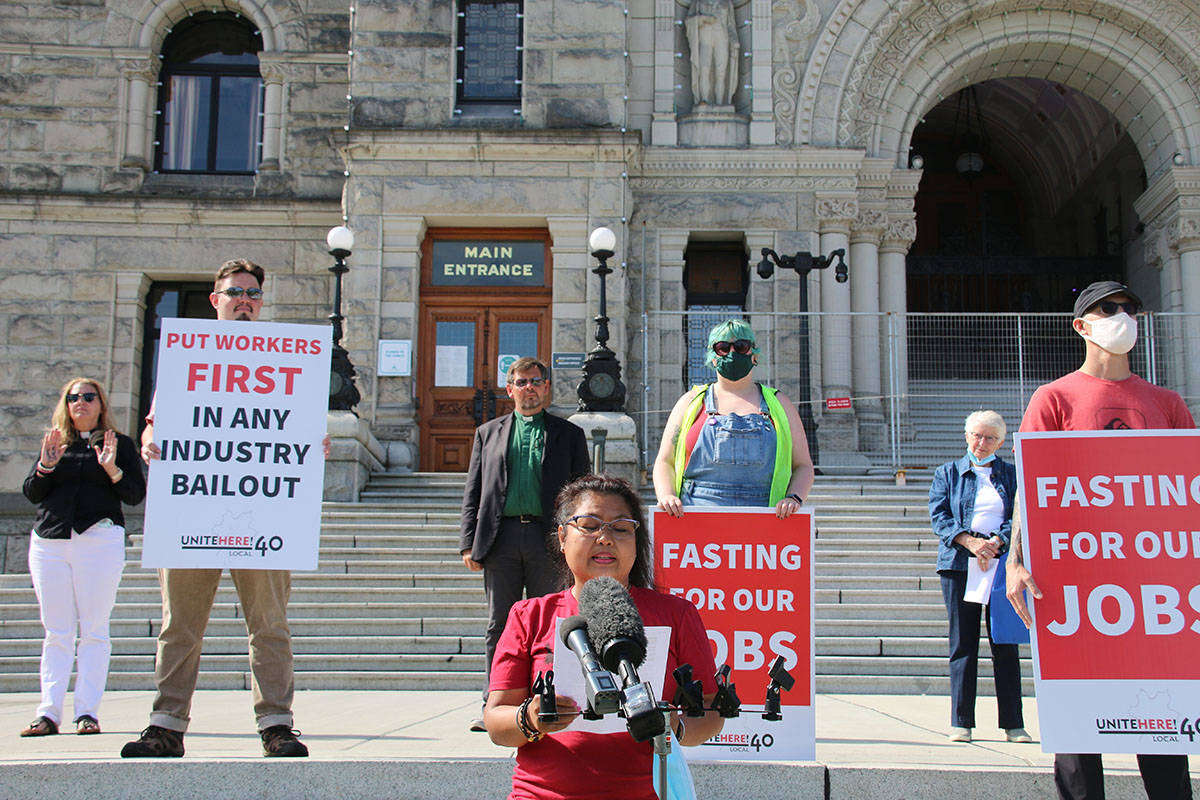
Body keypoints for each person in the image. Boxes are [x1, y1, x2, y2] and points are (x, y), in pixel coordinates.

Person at [122, 258, 327, 758]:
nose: (244, 300)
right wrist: (150, 438)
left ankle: (276, 723)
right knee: (180, 624)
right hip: (194, 507)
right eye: (235, 291)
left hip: (264, 511)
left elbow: (295, 424)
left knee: (270, 625)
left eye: (253, 294)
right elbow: (156, 422)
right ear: (215, 300)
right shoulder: (185, 355)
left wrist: (311, 444)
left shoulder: (284, 357)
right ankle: (166, 723)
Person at [1006, 280, 1194, 799]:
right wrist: (1015, 561)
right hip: (1076, 582)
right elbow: (1030, 486)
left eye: (1130, 308)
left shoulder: (1167, 403)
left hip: (1149, 590)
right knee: (1078, 744)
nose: (1123, 316)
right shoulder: (1054, 399)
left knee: (1164, 738)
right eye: (1108, 309)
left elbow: (1185, 492)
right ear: (1081, 325)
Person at [485, 474, 724, 799]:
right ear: (562, 537)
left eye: (621, 528)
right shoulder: (529, 616)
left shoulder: (675, 614)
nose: (605, 538)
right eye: (589, 525)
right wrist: (530, 717)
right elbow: (497, 723)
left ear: (636, 542)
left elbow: (710, 711)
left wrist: (672, 727)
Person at [459, 356, 590, 732]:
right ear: (509, 388)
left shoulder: (568, 435)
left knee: (551, 622)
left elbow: (582, 495)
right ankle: (495, 704)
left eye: (535, 381)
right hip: (500, 540)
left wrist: (579, 540)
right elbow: (474, 493)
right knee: (499, 623)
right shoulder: (488, 433)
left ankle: (551, 700)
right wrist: (468, 542)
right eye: (521, 381)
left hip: (549, 541)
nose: (528, 388)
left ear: (547, 388)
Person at [19, 377, 146, 737]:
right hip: (51, 542)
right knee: (57, 632)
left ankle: (86, 712)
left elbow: (135, 495)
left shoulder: (118, 444)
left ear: (101, 404)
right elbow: (32, 492)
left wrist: (111, 468)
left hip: (98, 540)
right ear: (66, 404)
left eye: (89, 397)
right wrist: (46, 465)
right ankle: (48, 713)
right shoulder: (55, 442)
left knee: (94, 630)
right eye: (74, 397)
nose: (81, 403)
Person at [928, 410, 1030, 745]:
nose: (981, 443)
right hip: (960, 564)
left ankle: (1014, 724)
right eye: (976, 435)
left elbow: (1019, 515)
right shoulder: (948, 473)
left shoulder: (1011, 475)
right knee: (963, 643)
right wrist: (971, 543)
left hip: (1001, 566)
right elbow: (939, 515)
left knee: (1005, 643)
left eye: (989, 438)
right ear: (966, 436)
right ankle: (961, 722)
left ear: (1000, 442)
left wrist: (996, 543)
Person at [653, 318, 814, 517]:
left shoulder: (779, 404)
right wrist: (666, 495)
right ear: (713, 357)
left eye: (741, 346)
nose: (732, 353)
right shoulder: (691, 401)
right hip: (695, 517)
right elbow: (664, 460)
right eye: (722, 348)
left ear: (754, 355)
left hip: (764, 517)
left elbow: (803, 466)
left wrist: (794, 497)